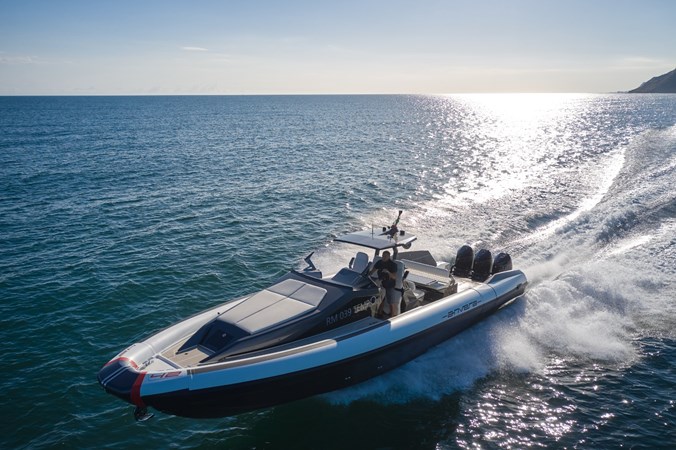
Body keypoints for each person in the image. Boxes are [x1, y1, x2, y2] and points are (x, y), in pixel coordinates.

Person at [369, 250, 400, 317]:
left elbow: (394, 277)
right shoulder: (379, 262)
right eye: (383, 256)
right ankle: (379, 313)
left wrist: (388, 272)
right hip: (381, 283)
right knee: (381, 299)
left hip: (390, 284)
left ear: (389, 257)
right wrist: (367, 275)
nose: (384, 257)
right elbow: (372, 271)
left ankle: (392, 316)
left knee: (391, 301)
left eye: (386, 256)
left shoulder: (393, 265)